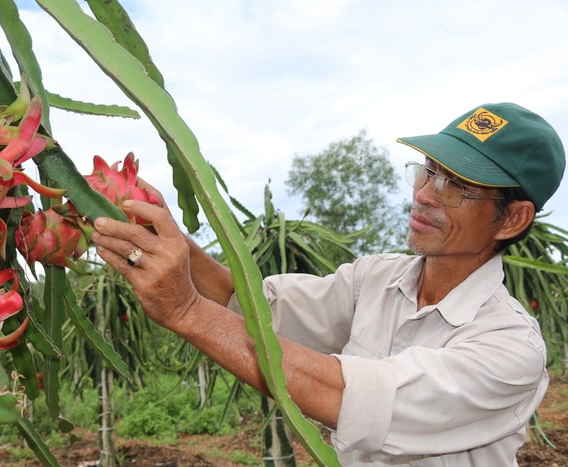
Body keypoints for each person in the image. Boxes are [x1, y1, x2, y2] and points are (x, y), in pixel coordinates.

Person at [90, 102, 565, 466]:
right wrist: (169, 236)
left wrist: (186, 312)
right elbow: (249, 304)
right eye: (429, 171)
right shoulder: (374, 279)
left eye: (454, 187)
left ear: (513, 219)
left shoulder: (508, 350)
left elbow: (348, 397)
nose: (422, 195)